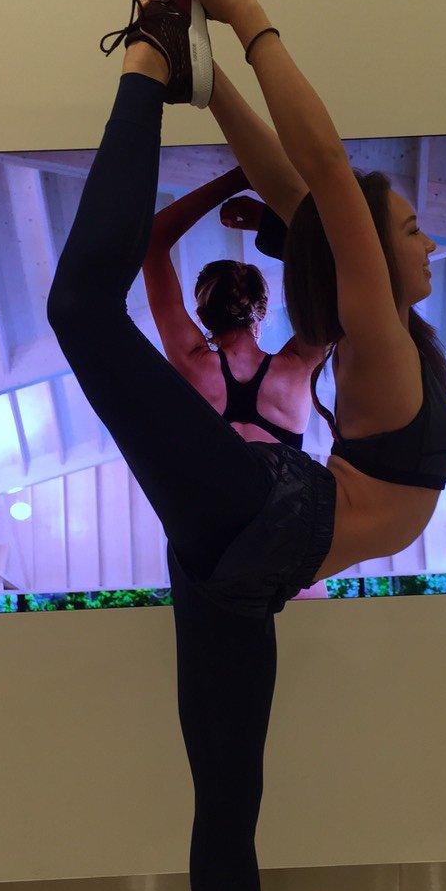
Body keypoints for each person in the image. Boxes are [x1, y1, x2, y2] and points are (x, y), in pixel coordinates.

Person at [46, 0, 446, 891]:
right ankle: (137, 64)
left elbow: (296, 187)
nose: (428, 238)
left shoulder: (378, 326)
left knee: (228, 805)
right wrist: (241, 13)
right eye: (412, 227)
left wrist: (214, 76)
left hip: (247, 568)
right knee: (81, 307)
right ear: (374, 255)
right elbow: (320, 171)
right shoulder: (380, 344)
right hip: (262, 512)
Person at [141, 159, 331, 599]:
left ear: (202, 314)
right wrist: (269, 219)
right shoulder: (297, 366)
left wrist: (238, 175)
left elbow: (153, 242)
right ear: (260, 311)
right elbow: (338, 276)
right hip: (289, 539)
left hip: (215, 542)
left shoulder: (193, 363)